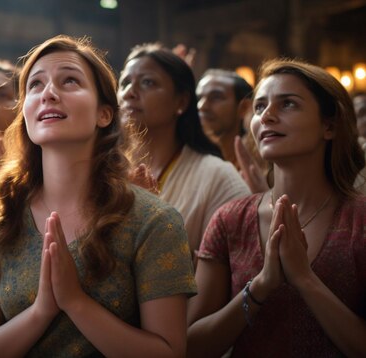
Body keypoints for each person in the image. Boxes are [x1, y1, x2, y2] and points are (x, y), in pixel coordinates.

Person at [0, 35, 196, 357]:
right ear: (25, 113)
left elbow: (169, 352)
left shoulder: (152, 220)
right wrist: (41, 311)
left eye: (69, 81)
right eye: (35, 85)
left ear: (104, 114)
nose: (49, 94)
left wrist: (75, 302)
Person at [187, 59, 366, 357]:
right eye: (259, 107)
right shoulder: (230, 220)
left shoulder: (359, 220)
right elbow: (190, 347)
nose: (267, 116)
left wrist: (305, 280)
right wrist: (260, 286)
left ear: (329, 125)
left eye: (288, 105)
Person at [119, 43, 250, 256]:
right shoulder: (103, 170)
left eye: (147, 82)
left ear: (181, 101)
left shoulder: (218, 177)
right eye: (124, 83)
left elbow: (237, 270)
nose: (129, 93)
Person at [196, 69, 253, 168]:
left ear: (244, 108)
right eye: (199, 98)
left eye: (216, 97)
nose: (201, 106)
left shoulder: (257, 163)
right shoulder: (187, 155)